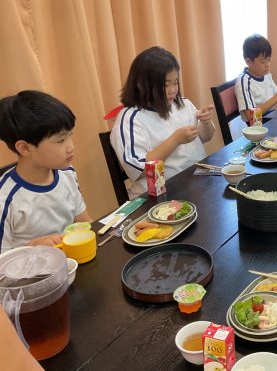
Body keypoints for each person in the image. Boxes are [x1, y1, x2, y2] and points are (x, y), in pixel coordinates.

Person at [110, 46, 215, 198]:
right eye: (165, 85)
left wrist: (205, 122)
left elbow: (206, 137)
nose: (172, 90)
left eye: (175, 82)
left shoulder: (183, 104)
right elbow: (138, 169)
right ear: (141, 85)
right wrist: (175, 140)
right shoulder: (130, 119)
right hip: (160, 195)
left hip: (196, 181)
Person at [0, 91, 91, 253]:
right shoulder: (5, 198)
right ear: (25, 148)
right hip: (32, 268)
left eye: (70, 136)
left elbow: (86, 223)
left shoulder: (67, 173)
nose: (71, 147)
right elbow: (4, 262)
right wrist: (33, 247)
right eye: (60, 140)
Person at [234, 34, 277, 122]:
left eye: (269, 60)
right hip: (258, 126)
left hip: (272, 119)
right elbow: (250, 116)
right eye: (263, 62)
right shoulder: (244, 82)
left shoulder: (266, 75)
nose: (267, 65)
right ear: (248, 62)